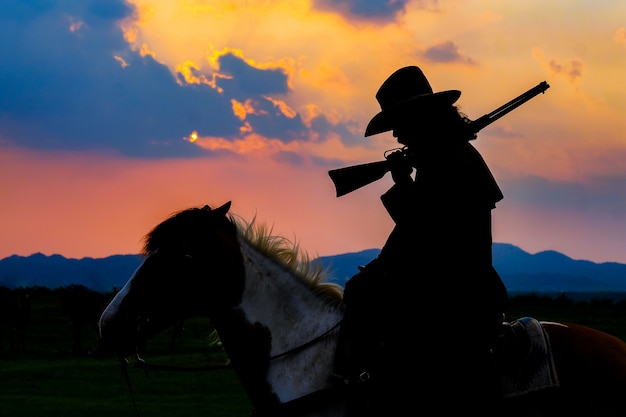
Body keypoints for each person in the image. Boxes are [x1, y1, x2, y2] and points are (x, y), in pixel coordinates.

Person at [333, 66, 509, 415]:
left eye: (401, 123)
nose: (397, 135)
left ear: (422, 118)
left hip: (456, 289)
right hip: (446, 280)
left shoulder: (451, 158)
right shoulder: (442, 157)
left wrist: (401, 183)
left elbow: (431, 233)